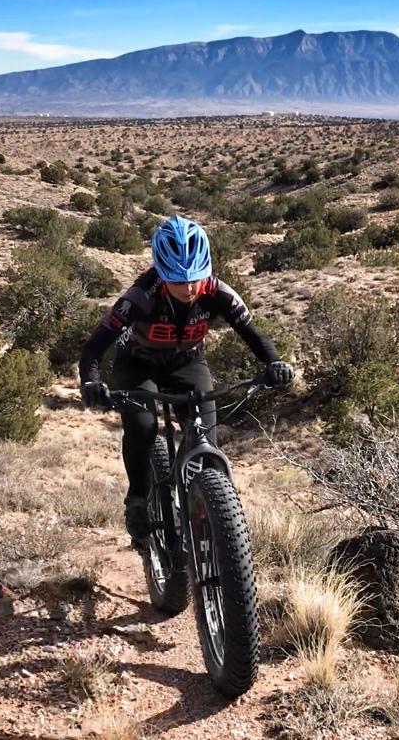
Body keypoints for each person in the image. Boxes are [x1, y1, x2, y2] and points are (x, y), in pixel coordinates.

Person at [77, 215, 294, 542]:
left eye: (196, 278)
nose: (190, 287)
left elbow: (253, 334)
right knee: (142, 426)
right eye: (179, 280)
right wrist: (90, 381)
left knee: (204, 435)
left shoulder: (217, 292)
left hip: (187, 364)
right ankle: (138, 498)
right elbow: (95, 346)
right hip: (137, 365)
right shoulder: (140, 296)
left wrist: (275, 363)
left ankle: (200, 507)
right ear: (163, 275)